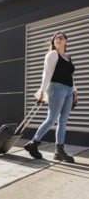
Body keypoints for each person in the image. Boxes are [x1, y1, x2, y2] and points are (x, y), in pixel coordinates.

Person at [24, 31, 78, 163]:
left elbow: (70, 76)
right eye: (56, 39)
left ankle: (59, 151)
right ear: (54, 42)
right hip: (56, 88)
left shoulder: (68, 57)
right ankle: (33, 143)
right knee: (51, 119)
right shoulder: (52, 54)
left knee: (63, 121)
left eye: (61, 38)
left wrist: (75, 92)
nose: (58, 40)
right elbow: (46, 74)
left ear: (66, 41)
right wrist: (42, 90)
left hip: (68, 90)